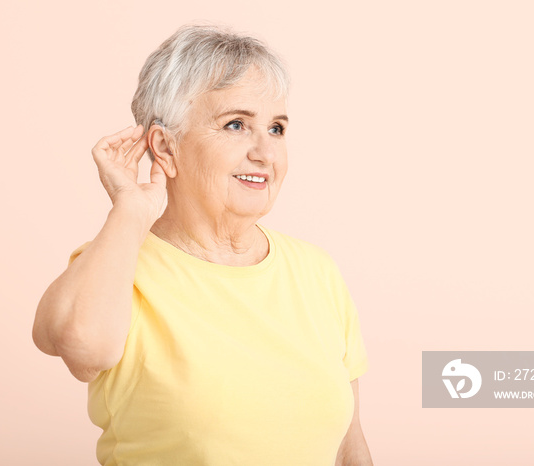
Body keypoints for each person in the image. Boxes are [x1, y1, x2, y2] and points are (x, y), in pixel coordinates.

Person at [32, 24, 373, 466]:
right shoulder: (118, 266)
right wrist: (131, 210)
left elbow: (350, 444)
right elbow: (82, 348)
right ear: (165, 148)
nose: (265, 152)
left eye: (276, 128)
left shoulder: (316, 271)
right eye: (236, 124)